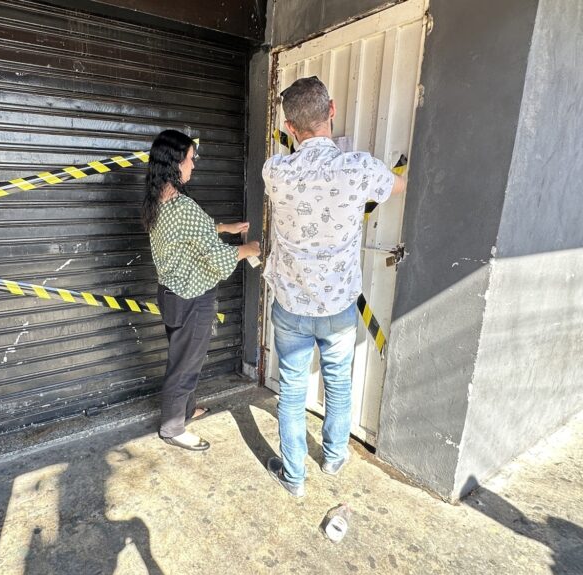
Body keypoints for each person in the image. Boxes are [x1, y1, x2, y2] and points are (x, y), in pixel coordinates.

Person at [262, 77, 407, 496]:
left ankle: (294, 477)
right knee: (338, 385)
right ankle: (334, 457)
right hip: (339, 307)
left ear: (290, 128)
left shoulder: (276, 170)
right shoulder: (359, 168)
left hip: (291, 304)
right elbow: (397, 186)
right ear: (333, 110)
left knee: (291, 391)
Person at [142, 129, 260, 451]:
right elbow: (219, 254)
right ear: (174, 163)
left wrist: (224, 227)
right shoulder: (184, 207)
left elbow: (188, 234)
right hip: (192, 299)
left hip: (171, 295)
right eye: (191, 160)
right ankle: (172, 428)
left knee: (185, 358)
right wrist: (250, 248)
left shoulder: (157, 201)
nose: (193, 166)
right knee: (186, 365)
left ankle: (184, 410)